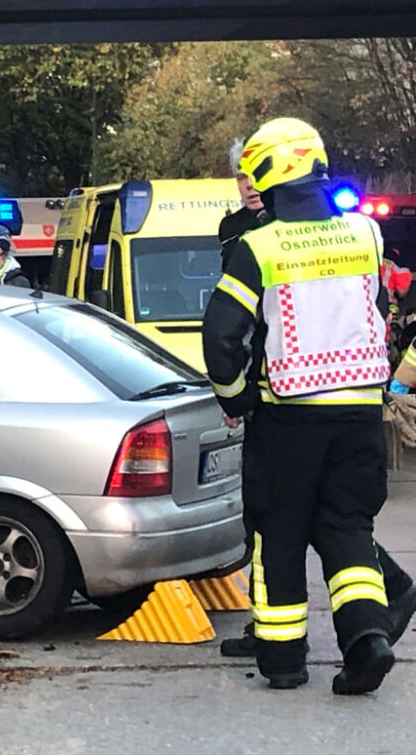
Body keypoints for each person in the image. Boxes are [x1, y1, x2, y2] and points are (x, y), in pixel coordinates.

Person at [202, 117, 404, 695]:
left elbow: (220, 333)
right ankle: (368, 638)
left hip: (288, 417)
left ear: (264, 175)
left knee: (279, 531)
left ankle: (285, 661)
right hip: (361, 413)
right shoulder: (366, 234)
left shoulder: (256, 246)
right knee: (347, 528)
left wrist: (235, 396)